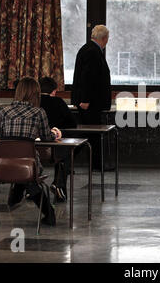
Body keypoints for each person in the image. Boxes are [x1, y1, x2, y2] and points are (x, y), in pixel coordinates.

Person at [0, 77, 62, 226]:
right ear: (36, 94)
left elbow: (2, 137)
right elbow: (47, 138)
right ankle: (49, 213)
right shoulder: (38, 112)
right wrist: (55, 133)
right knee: (29, 175)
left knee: (21, 169)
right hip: (29, 164)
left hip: (3, 165)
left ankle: (15, 196)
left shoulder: (4, 112)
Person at [72, 24, 111, 169]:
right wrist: (85, 99)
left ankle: (94, 163)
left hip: (89, 102)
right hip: (89, 103)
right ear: (105, 38)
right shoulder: (92, 52)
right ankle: (68, 160)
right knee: (90, 134)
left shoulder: (88, 49)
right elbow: (87, 77)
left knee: (90, 134)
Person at [39, 77, 77, 202]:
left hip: (33, 149)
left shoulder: (33, 102)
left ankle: (31, 188)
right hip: (54, 145)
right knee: (68, 150)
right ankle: (58, 183)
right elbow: (72, 123)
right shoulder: (58, 102)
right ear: (54, 91)